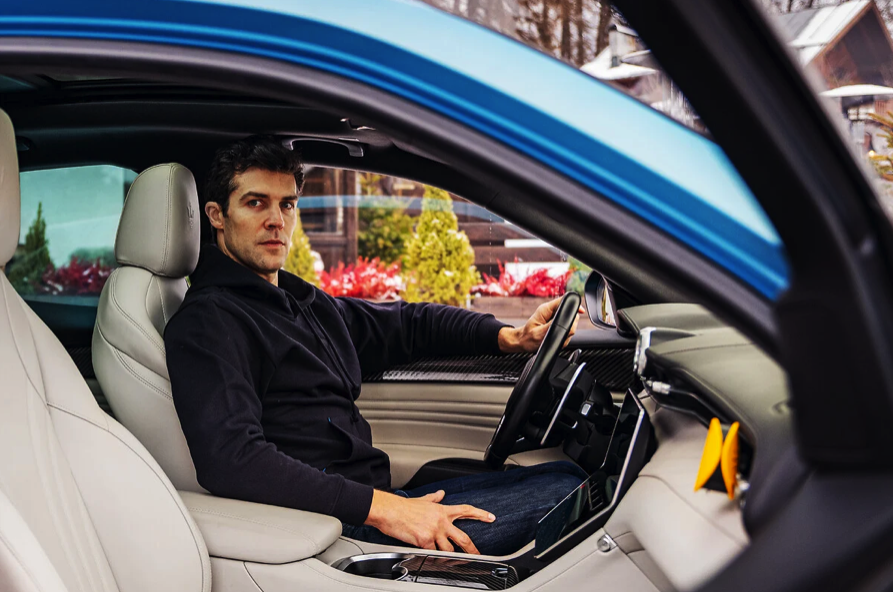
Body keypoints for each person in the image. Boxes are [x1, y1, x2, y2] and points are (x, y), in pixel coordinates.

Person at [165, 136, 587, 556]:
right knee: (566, 496)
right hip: (335, 530)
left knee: (566, 476)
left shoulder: (300, 301)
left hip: (374, 504)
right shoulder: (209, 322)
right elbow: (233, 459)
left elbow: (408, 325)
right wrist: (385, 510)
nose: (276, 220)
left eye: (287, 204)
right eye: (256, 203)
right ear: (217, 215)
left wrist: (508, 337)